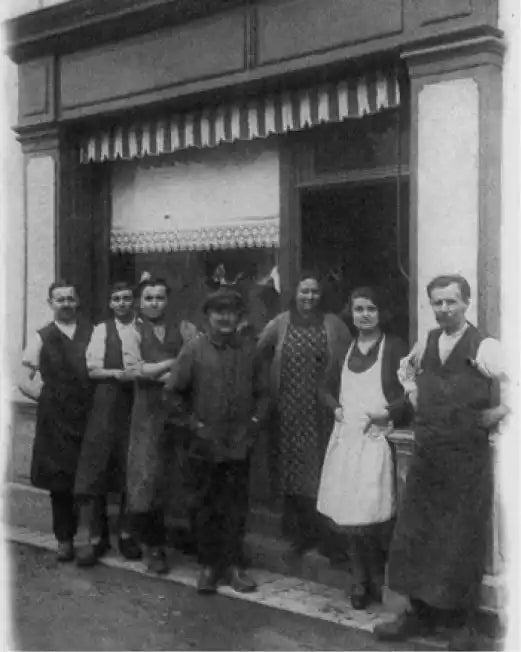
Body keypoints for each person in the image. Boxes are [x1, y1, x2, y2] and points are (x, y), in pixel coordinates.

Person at [374, 275, 509, 650]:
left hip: (467, 458)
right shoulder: (428, 341)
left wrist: (501, 410)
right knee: (418, 535)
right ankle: (419, 613)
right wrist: (415, 395)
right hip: (428, 454)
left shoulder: (485, 347)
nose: (444, 309)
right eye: (437, 303)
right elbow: (407, 370)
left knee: (460, 539)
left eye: (451, 302)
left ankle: (460, 624)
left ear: (466, 304)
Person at [165, 287, 270, 594]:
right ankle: (209, 566)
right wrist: (193, 425)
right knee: (204, 506)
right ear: (208, 316)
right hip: (204, 446)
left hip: (239, 444)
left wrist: (253, 424)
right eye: (218, 312)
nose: (225, 318)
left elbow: (265, 395)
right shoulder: (194, 350)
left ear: (240, 317)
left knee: (235, 506)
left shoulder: (251, 350)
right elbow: (171, 394)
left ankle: (235, 566)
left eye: (231, 312)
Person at [317, 286, 411, 609]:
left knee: (378, 515)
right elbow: (325, 388)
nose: (365, 315)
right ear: (351, 313)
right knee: (351, 516)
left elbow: (411, 392)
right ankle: (359, 579)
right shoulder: (345, 348)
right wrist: (335, 408)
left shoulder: (396, 347)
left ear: (380, 313)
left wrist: (390, 412)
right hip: (348, 440)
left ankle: (382, 579)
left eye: (371, 308)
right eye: (359, 309)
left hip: (378, 439)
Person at [257, 272, 351, 554]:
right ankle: (300, 532)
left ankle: (326, 535)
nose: (309, 297)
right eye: (304, 292)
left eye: (314, 292)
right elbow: (260, 351)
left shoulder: (334, 325)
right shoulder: (280, 323)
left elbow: (349, 362)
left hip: (322, 410)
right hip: (288, 409)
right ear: (294, 294)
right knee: (293, 468)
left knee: (323, 468)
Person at [18, 281, 94, 562]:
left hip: (88, 413)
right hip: (55, 419)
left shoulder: (92, 332)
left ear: (77, 301)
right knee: (59, 481)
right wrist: (46, 397)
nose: (65, 304)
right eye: (59, 299)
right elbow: (23, 380)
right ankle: (64, 539)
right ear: (50, 304)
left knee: (88, 478)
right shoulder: (42, 337)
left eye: (70, 299)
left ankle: (87, 539)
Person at [73, 281, 143, 566]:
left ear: (133, 301)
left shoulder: (143, 328)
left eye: (127, 298)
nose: (122, 303)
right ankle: (95, 537)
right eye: (117, 299)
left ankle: (127, 535)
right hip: (107, 399)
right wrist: (117, 375)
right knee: (98, 464)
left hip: (138, 401)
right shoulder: (102, 330)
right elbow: (92, 368)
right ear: (111, 304)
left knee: (131, 466)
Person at [125, 277, 184, 574]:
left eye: (160, 297)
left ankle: (180, 538)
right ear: (140, 301)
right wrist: (169, 367)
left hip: (176, 410)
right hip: (148, 411)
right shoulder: (132, 331)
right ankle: (152, 545)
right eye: (148, 298)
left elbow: (192, 359)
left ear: (167, 301)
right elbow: (136, 369)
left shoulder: (183, 328)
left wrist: (166, 370)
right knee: (146, 476)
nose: (154, 303)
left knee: (173, 476)